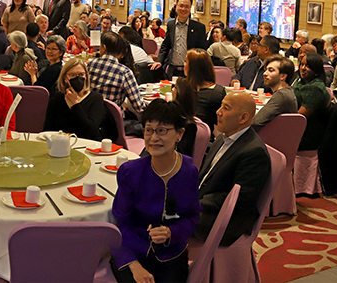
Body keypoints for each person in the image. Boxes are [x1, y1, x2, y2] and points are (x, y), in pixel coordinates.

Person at [111, 98, 200, 283]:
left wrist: (171, 232)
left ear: (179, 134)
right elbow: (120, 223)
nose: (153, 138)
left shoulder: (188, 172)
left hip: (171, 253)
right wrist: (133, 264)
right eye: (148, 130)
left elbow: (192, 218)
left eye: (162, 131)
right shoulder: (131, 172)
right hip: (132, 251)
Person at [195, 92, 271, 247]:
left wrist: (193, 205)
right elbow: (206, 177)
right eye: (221, 106)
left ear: (243, 118)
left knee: (164, 223)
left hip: (223, 219)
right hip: (206, 203)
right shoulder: (223, 138)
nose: (218, 112)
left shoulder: (254, 152)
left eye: (226, 108)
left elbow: (238, 200)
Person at [43, 58, 109, 140]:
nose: (78, 79)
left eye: (81, 75)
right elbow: (47, 130)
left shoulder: (96, 99)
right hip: (62, 143)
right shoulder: (57, 99)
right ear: (65, 78)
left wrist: (75, 105)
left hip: (87, 143)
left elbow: (91, 132)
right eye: (72, 75)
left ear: (86, 76)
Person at [87, 32, 145, 113]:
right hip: (112, 118)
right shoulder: (124, 72)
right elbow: (139, 106)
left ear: (104, 48)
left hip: (90, 114)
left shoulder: (90, 64)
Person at [153, 0, 208, 78]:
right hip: (172, 69)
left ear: (190, 9)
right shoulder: (171, 25)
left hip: (191, 71)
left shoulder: (199, 27)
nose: (183, 9)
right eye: (181, 6)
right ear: (176, 7)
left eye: (187, 7)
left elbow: (202, 50)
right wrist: (159, 61)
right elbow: (165, 45)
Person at [293, 53, 330, 152]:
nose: (303, 68)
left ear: (316, 69)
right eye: (302, 64)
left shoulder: (316, 88)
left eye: (308, 66)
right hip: (299, 130)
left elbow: (299, 118)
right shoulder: (301, 82)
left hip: (306, 136)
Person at [252, 56, 298, 131]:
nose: (264, 73)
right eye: (266, 70)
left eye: (271, 70)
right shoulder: (287, 92)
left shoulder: (281, 95)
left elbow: (256, 122)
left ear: (283, 76)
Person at [186, 48, 226, 133]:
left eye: (186, 62)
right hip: (208, 136)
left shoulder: (183, 89)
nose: (184, 64)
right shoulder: (218, 91)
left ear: (193, 68)